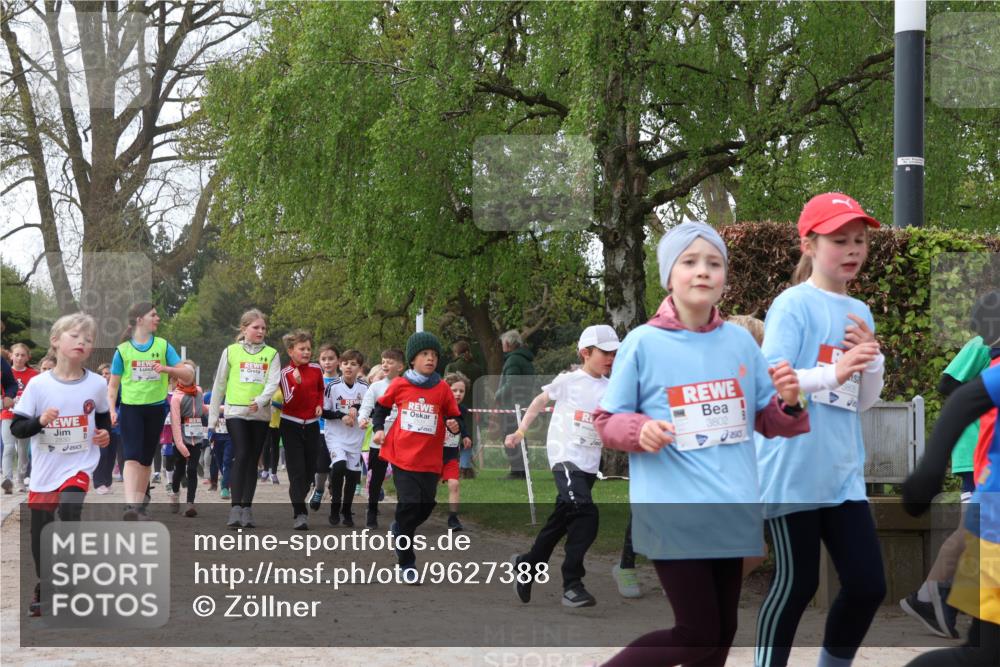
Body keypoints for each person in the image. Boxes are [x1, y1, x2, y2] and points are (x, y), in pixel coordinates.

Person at [593, 221, 808, 666]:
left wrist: (789, 404)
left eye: (713, 263)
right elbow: (606, 421)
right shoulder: (642, 343)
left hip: (732, 506)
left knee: (722, 633)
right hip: (674, 509)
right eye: (689, 262)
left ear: (725, 277)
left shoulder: (741, 343)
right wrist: (640, 431)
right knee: (696, 634)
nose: (702, 271)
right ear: (669, 275)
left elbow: (769, 422)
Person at [754, 193, 886, 667]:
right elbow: (772, 380)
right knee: (797, 584)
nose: (852, 250)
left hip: (842, 474)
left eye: (860, 240)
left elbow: (863, 402)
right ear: (808, 244)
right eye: (839, 240)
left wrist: (871, 359)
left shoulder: (861, 312)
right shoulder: (792, 304)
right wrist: (835, 371)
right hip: (792, 470)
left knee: (869, 584)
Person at [901, 292, 1000, 639]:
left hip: (983, 450)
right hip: (978, 450)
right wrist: (986, 394)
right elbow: (947, 385)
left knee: (974, 530)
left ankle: (936, 597)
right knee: (971, 529)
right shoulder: (982, 345)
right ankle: (931, 595)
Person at [507, 324, 621, 608]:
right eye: (604, 352)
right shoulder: (569, 380)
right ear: (585, 352)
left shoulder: (611, 388)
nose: (610, 358)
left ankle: (527, 564)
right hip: (564, 457)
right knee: (585, 513)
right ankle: (572, 584)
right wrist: (521, 431)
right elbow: (538, 401)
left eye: (614, 353)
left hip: (588, 463)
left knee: (562, 519)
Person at [10, 313, 111, 616]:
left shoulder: (95, 384)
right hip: (44, 471)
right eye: (75, 335)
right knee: (40, 534)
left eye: (88, 339)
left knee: (70, 507)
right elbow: (17, 429)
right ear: (55, 341)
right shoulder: (39, 386)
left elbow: (103, 420)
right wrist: (40, 421)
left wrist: (105, 435)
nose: (82, 341)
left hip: (78, 465)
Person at [371, 331, 463, 584]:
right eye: (425, 354)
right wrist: (379, 429)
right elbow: (381, 407)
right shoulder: (400, 384)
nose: (430, 359)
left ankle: (399, 528)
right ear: (413, 359)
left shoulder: (442, 388)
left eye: (434, 355)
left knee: (426, 506)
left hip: (430, 459)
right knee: (409, 504)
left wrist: (454, 424)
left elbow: (453, 415)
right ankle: (407, 562)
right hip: (402, 456)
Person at [107, 302, 193, 520]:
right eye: (153, 315)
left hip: (155, 409)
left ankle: (139, 506)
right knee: (131, 457)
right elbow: (113, 385)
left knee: (146, 460)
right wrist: (111, 409)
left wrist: (168, 369)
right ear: (139, 320)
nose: (158, 318)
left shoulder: (163, 346)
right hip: (131, 408)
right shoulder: (123, 350)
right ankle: (130, 506)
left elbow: (188, 375)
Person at [208, 308, 280, 529]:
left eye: (263, 328)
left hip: (259, 413)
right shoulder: (230, 352)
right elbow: (219, 384)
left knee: (252, 457)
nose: (260, 331)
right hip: (235, 412)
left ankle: (247, 508)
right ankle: (235, 508)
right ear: (244, 328)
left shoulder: (272, 354)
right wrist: (212, 419)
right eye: (255, 327)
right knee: (241, 453)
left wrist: (261, 400)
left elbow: (273, 382)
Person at [278, 330, 324, 530]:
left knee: (309, 470)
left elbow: (321, 390)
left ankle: (299, 494)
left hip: (312, 424)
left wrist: (319, 404)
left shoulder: (316, 369)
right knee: (297, 471)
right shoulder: (286, 373)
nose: (306, 352)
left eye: (308, 348)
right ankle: (300, 513)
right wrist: (296, 384)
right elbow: (288, 401)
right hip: (291, 424)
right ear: (291, 351)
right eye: (301, 349)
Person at [358, 348, 405, 528]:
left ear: (400, 366)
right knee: (376, 478)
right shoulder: (376, 387)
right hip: (379, 440)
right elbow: (366, 407)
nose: (385, 364)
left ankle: (402, 516)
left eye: (390, 362)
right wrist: (363, 419)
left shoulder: (406, 385)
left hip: (401, 441)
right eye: (383, 361)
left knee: (402, 479)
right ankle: (371, 511)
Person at [323, 349, 368, 527]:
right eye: (346, 363)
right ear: (340, 365)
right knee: (339, 466)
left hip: (355, 437)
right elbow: (324, 412)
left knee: (352, 475)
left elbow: (370, 408)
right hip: (335, 436)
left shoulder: (365, 388)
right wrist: (341, 415)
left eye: (353, 364)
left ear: (360, 368)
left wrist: (358, 408)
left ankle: (347, 511)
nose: (349, 367)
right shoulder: (332, 386)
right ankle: (335, 506)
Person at [167, 360, 206, 517]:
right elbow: (175, 422)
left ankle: (190, 504)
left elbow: (202, 409)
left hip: (196, 437)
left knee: (192, 469)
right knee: (180, 469)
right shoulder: (176, 397)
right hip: (181, 438)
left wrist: (223, 408)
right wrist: (180, 444)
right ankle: (175, 494)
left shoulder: (199, 391)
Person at [495, 330, 535, 479]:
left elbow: (512, 383)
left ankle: (517, 471)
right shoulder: (525, 360)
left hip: (511, 406)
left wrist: (498, 394)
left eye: (503, 343)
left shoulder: (513, 360)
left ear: (508, 344)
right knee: (520, 436)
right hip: (523, 403)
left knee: (509, 436)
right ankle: (522, 469)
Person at [2, 343, 38, 494]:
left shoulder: (34, 375)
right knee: (9, 447)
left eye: (23, 355)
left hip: (25, 417)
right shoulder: (5, 372)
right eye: (16, 354)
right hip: (8, 414)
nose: (19, 358)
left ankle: (20, 479)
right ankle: (7, 479)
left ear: (28, 357)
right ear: (10, 355)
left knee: (23, 451)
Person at [446, 340, 482, 478]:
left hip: (452, 408)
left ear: (456, 352)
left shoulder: (451, 366)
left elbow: (444, 385)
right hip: (471, 409)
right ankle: (465, 468)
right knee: (468, 437)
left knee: (452, 435)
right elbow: (481, 390)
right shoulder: (477, 368)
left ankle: (457, 467)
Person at [310, 343, 340, 512]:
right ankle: (319, 489)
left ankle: (335, 491)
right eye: (324, 359)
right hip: (320, 429)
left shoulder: (344, 381)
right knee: (321, 467)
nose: (327, 362)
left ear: (338, 360)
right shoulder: (316, 381)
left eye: (331, 359)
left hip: (340, 431)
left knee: (337, 467)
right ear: (319, 361)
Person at [442, 372, 473, 531]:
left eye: (461, 391)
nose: (458, 394)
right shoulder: (439, 406)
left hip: (451, 455)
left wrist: (466, 436)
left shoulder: (462, 409)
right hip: (433, 456)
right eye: (454, 390)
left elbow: (463, 425)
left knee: (454, 484)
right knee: (427, 490)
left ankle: (453, 518)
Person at [92, 363, 122, 494]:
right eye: (102, 374)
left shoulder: (119, 388)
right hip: (99, 427)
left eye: (107, 373)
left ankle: (107, 482)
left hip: (115, 426)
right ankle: (98, 483)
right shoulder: (95, 389)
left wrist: (117, 416)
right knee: (102, 454)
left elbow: (122, 404)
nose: (104, 376)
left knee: (111, 455)